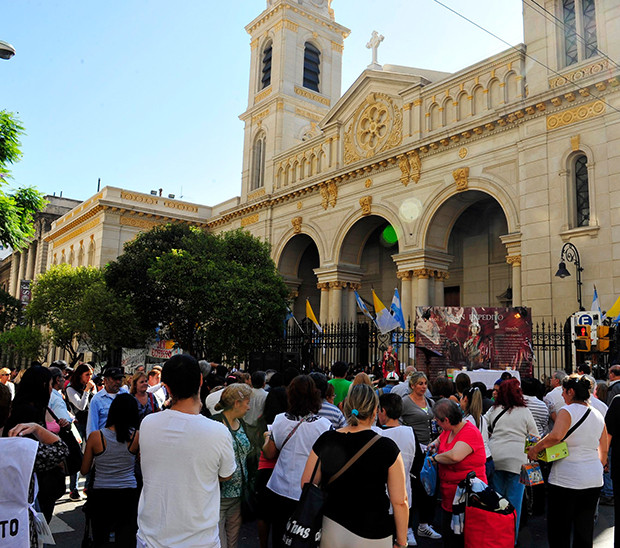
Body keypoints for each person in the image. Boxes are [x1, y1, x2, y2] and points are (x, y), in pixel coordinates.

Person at [137, 354, 236, 548]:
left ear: (166, 386)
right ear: (200, 380)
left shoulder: (148, 424)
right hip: (200, 541)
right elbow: (226, 474)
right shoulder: (218, 432)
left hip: (150, 539)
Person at [302, 384, 408, 548]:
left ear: (345, 407)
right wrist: (402, 542)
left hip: (332, 525)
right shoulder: (387, 447)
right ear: (374, 411)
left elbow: (307, 483)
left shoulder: (327, 439)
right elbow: (400, 501)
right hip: (374, 529)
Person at [528, 375, 607, 548]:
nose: (562, 395)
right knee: (584, 529)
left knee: (559, 529)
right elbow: (604, 450)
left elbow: (556, 436)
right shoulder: (598, 414)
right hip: (592, 479)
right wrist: (595, 467)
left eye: (564, 391)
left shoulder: (567, 411)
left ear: (571, 392)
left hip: (566, 479)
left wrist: (535, 449)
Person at [262, 374, 332, 548]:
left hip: (279, 486)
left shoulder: (279, 420)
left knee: (280, 535)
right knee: (305, 538)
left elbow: (270, 453)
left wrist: (267, 438)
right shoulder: (324, 425)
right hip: (308, 491)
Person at [3, 365, 69, 524]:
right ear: (43, 385)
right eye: (50, 384)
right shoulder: (27, 412)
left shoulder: (33, 407)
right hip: (34, 486)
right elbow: (38, 452)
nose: (52, 389)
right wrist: (53, 457)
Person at [81, 393, 140, 547]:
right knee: (126, 539)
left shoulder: (96, 437)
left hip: (102, 493)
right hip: (128, 492)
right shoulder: (137, 437)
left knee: (101, 538)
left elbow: (84, 469)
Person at [428, 399, 487, 548]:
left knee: (464, 538)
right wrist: (433, 445)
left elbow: (455, 456)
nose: (437, 423)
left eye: (438, 421)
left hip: (468, 498)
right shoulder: (449, 430)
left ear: (446, 420)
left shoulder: (469, 432)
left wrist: (434, 458)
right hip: (450, 497)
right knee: (450, 535)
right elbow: (439, 440)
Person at [485, 378, 538, 539]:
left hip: (496, 456)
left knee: (497, 499)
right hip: (518, 460)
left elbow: (483, 425)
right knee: (515, 501)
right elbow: (534, 436)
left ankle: (496, 536)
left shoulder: (493, 410)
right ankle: (510, 538)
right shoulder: (524, 411)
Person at [210, 383, 253, 548]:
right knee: (219, 541)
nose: (249, 407)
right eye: (247, 402)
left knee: (232, 541)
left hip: (238, 495)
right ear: (236, 403)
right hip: (219, 495)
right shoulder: (214, 424)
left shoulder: (242, 424)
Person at [400, 372, 441, 540]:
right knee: (412, 488)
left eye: (425, 383)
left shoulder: (429, 402)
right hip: (413, 449)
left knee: (429, 487)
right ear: (412, 385)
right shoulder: (405, 402)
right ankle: (408, 527)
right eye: (420, 384)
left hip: (430, 449)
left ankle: (424, 524)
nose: (424, 386)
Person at [373, 392, 418, 546]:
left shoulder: (375, 434)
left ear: (383, 411)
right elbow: (417, 464)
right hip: (405, 496)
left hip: (379, 499)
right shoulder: (410, 433)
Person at [66, 362, 96, 500]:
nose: (89, 378)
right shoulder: (71, 389)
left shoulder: (90, 387)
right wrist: (86, 391)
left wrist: (92, 391)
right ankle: (73, 488)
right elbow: (81, 406)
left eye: (91, 375)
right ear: (80, 375)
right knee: (78, 455)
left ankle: (88, 486)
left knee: (92, 454)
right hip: (78, 424)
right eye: (87, 375)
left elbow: (95, 403)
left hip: (90, 423)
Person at [460, 386, 492, 481]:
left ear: (465, 399)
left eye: (461, 398)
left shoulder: (467, 421)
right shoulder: (481, 418)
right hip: (488, 458)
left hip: (478, 462)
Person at [86, 366, 128, 437]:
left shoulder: (126, 395)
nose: (117, 382)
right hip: (104, 442)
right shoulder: (97, 399)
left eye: (119, 379)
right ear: (105, 380)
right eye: (114, 379)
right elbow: (92, 426)